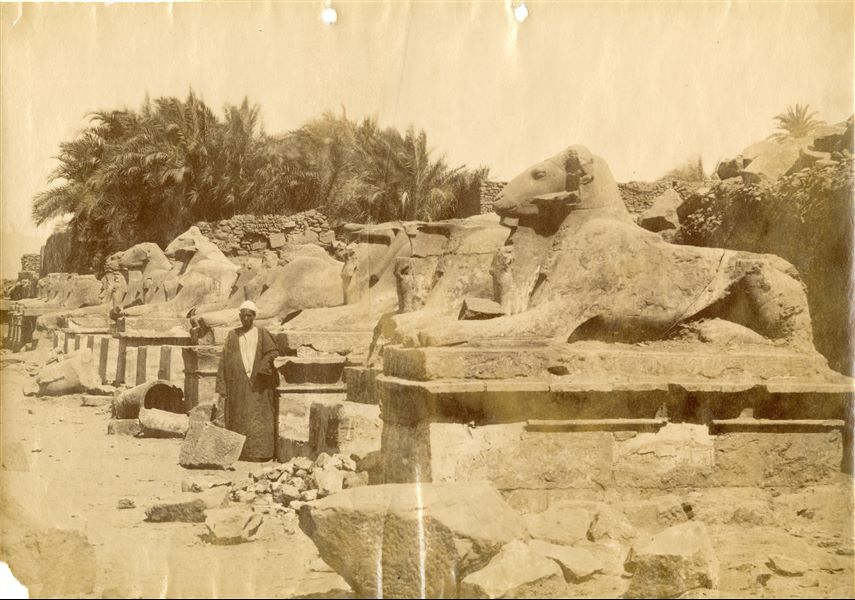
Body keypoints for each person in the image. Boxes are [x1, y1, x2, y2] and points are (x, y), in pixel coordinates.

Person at [214, 300, 280, 461]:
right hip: (238, 385)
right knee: (238, 416)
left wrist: (263, 368)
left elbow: (273, 352)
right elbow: (224, 361)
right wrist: (221, 388)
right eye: (243, 316)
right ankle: (240, 452)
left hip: (258, 384)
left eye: (249, 316)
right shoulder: (232, 335)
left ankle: (260, 453)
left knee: (259, 417)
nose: (246, 319)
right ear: (240, 316)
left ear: (254, 316)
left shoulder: (262, 333)